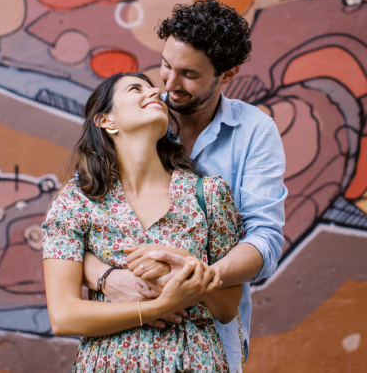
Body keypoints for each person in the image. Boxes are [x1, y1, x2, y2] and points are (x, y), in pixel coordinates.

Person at [82, 0, 287, 372]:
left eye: (189, 75)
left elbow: (265, 238)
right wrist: (107, 276)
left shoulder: (256, 133)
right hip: (123, 340)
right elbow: (75, 226)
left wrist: (194, 275)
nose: (169, 85)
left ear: (228, 73)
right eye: (165, 65)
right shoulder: (137, 118)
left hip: (210, 339)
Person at [42, 72, 246, 372]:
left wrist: (188, 265)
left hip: (195, 362)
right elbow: (63, 316)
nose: (155, 93)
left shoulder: (208, 194)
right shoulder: (76, 202)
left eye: (154, 88)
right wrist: (157, 308)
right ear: (106, 120)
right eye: (136, 88)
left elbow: (227, 308)